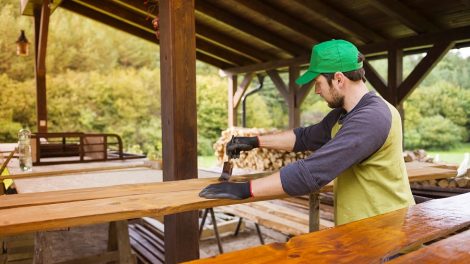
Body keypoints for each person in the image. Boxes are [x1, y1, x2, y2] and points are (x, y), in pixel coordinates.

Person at [199, 39, 415, 225]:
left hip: (388, 232)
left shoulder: (371, 118)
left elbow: (311, 173)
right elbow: (304, 138)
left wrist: (244, 190)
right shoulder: (345, 114)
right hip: (364, 230)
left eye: (318, 82)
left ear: (339, 79)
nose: (316, 90)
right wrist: (253, 141)